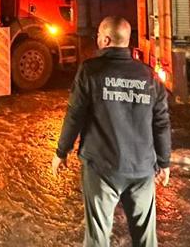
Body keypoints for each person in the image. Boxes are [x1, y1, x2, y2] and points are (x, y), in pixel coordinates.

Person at [51, 16, 171, 247]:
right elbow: (162, 122)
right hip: (142, 169)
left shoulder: (90, 71)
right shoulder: (149, 76)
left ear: (105, 40)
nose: (96, 39)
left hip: (101, 168)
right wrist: (164, 162)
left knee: (97, 238)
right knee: (146, 239)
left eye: (98, 35)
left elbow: (75, 114)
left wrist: (61, 151)